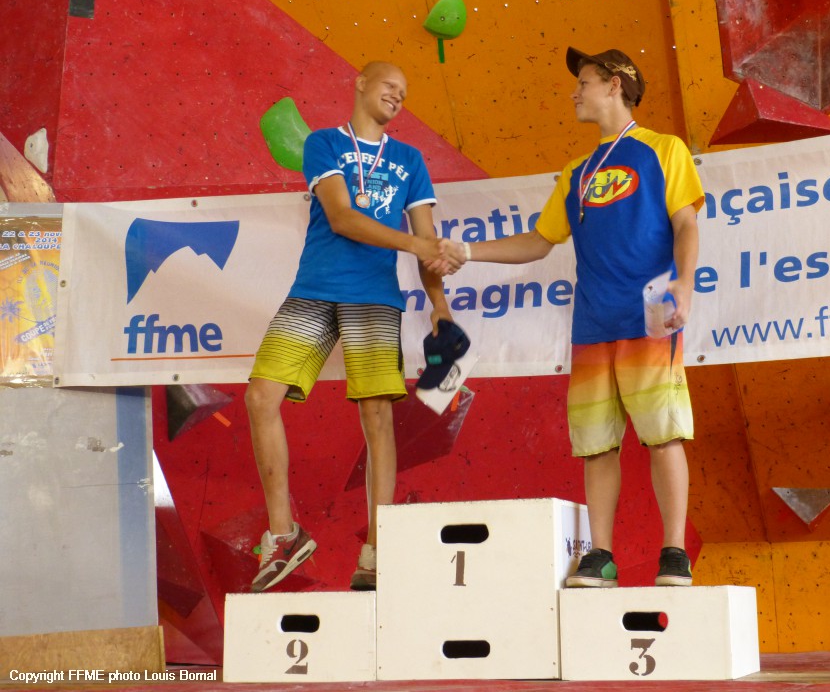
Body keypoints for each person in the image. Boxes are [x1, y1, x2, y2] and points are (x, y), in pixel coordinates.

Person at [438, 47, 704, 587]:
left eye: (584, 82)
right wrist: (467, 251)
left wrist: (684, 282)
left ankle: (674, 552)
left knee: (663, 434)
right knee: (596, 443)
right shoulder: (577, 172)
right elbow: (539, 242)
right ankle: (600, 556)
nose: (574, 92)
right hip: (591, 324)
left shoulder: (663, 149)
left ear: (615, 85)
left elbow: (686, 223)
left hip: (649, 316)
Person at [246, 61, 458, 593]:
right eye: (390, 85)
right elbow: (341, 217)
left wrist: (440, 305)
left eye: (404, 92)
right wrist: (416, 244)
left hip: (374, 297)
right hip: (315, 288)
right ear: (361, 83)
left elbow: (428, 242)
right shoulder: (324, 144)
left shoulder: (409, 160)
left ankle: (377, 552)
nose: (398, 96)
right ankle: (284, 535)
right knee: (261, 396)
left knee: (377, 417)